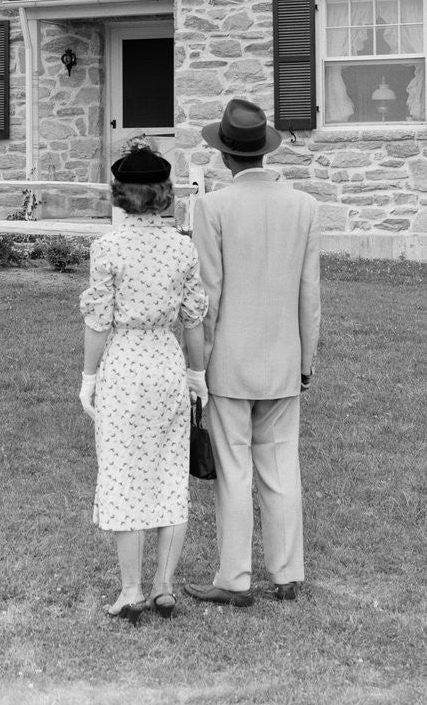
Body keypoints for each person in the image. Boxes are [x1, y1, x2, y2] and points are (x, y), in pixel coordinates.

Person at [184, 99, 321, 607]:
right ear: (264, 151)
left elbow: (208, 296)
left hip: (229, 364)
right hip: (284, 357)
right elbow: (310, 295)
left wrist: (199, 365)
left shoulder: (212, 207)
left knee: (235, 471)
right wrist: (306, 362)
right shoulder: (304, 206)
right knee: (282, 467)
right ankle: (288, 574)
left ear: (224, 156)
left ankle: (235, 578)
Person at [79, 146, 209, 624]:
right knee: (169, 472)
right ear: (163, 195)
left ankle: (131, 588)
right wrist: (197, 375)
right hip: (167, 363)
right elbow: (193, 318)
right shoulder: (182, 246)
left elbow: (98, 320)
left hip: (125, 363)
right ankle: (164, 586)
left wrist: (89, 378)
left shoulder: (108, 247)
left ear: (120, 195)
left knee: (123, 473)